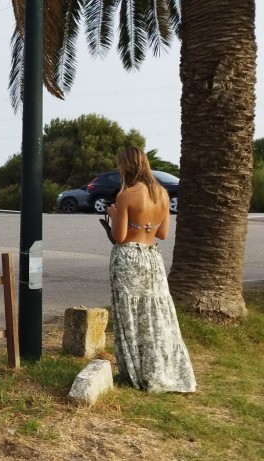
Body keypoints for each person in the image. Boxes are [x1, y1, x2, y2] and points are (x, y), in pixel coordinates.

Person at [105, 146, 196, 393]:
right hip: (152, 258)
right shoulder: (163, 194)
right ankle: (162, 369)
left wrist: (113, 214)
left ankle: (137, 371)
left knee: (131, 314)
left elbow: (120, 236)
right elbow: (163, 233)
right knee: (156, 313)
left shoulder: (126, 195)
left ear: (126, 166)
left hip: (129, 259)